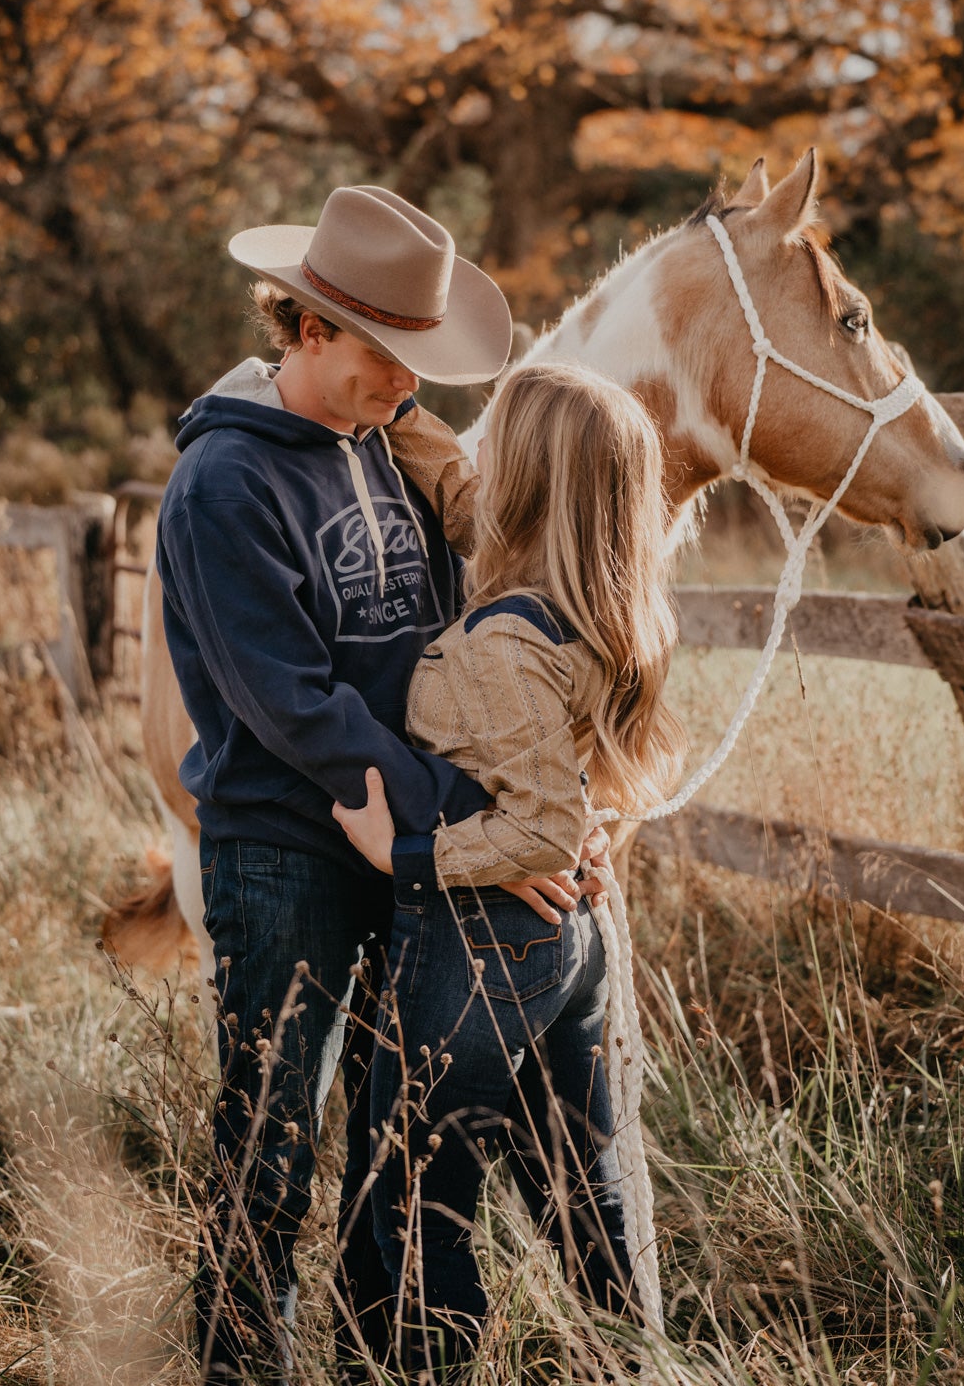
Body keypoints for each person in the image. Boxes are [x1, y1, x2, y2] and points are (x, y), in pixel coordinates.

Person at [155, 186, 597, 1384]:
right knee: (271, 1139)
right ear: (306, 328)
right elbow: (295, 703)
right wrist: (471, 823)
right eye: (384, 359)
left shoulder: (391, 446)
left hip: (404, 844)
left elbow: (463, 628)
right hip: (290, 844)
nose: (408, 385)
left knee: (396, 1141)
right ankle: (243, 1363)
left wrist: (512, 803)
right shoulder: (224, 487)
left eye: (419, 364)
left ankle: (375, 1358)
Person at [334, 361, 687, 1376]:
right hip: (568, 944)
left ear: (530, 480)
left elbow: (536, 830)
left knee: (416, 1203)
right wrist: (406, 418)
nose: (478, 459)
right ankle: (634, 1363)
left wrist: (405, 855)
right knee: (585, 1189)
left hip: (484, 939)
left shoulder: (501, 644)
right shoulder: (601, 611)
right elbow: (465, 499)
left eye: (500, 448)